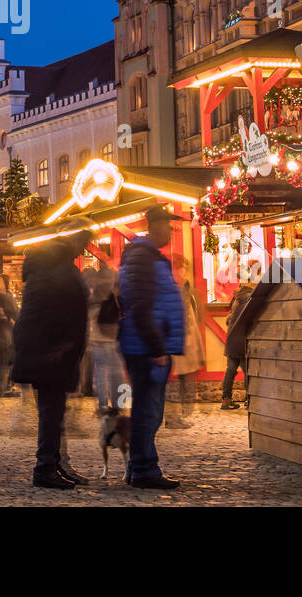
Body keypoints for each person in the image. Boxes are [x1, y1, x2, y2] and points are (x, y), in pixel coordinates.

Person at [11, 230, 90, 490]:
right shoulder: (57, 275)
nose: (83, 249)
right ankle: (45, 467)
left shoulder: (44, 272)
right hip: (50, 353)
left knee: (52, 412)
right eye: (83, 243)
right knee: (51, 412)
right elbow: (61, 314)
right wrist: (64, 345)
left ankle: (52, 463)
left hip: (47, 351)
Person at [118, 206, 185, 489]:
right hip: (147, 349)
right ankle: (145, 470)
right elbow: (142, 307)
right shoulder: (144, 258)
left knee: (148, 409)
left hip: (145, 345)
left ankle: (138, 467)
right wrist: (157, 348)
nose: (171, 231)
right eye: (168, 226)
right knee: (149, 411)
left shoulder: (143, 257)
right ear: (155, 225)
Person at [167, 279, 207, 428]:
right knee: (175, 384)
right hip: (178, 350)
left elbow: (193, 329)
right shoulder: (178, 303)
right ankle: (173, 418)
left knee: (181, 383)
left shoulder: (187, 300)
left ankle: (176, 416)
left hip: (184, 350)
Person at [85, 261, 123, 413]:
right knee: (117, 373)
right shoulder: (114, 294)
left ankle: (102, 405)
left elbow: (88, 319)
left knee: (100, 373)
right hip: (112, 338)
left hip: (95, 339)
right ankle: (118, 403)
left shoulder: (93, 297)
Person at [221, 263, 260, 410]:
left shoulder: (237, 298)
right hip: (242, 339)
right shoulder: (250, 298)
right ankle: (249, 400)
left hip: (232, 339)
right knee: (247, 370)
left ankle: (225, 399)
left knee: (230, 370)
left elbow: (227, 319)